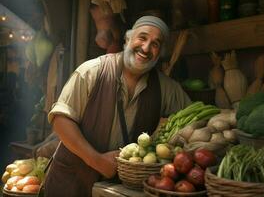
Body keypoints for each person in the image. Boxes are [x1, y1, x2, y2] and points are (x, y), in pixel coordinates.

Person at [44, 15, 191, 197]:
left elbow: (195, 119)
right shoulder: (92, 72)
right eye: (142, 38)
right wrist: (97, 160)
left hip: (115, 191)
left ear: (160, 53)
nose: (146, 48)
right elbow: (60, 121)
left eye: (155, 44)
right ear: (128, 39)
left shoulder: (166, 88)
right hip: (70, 185)